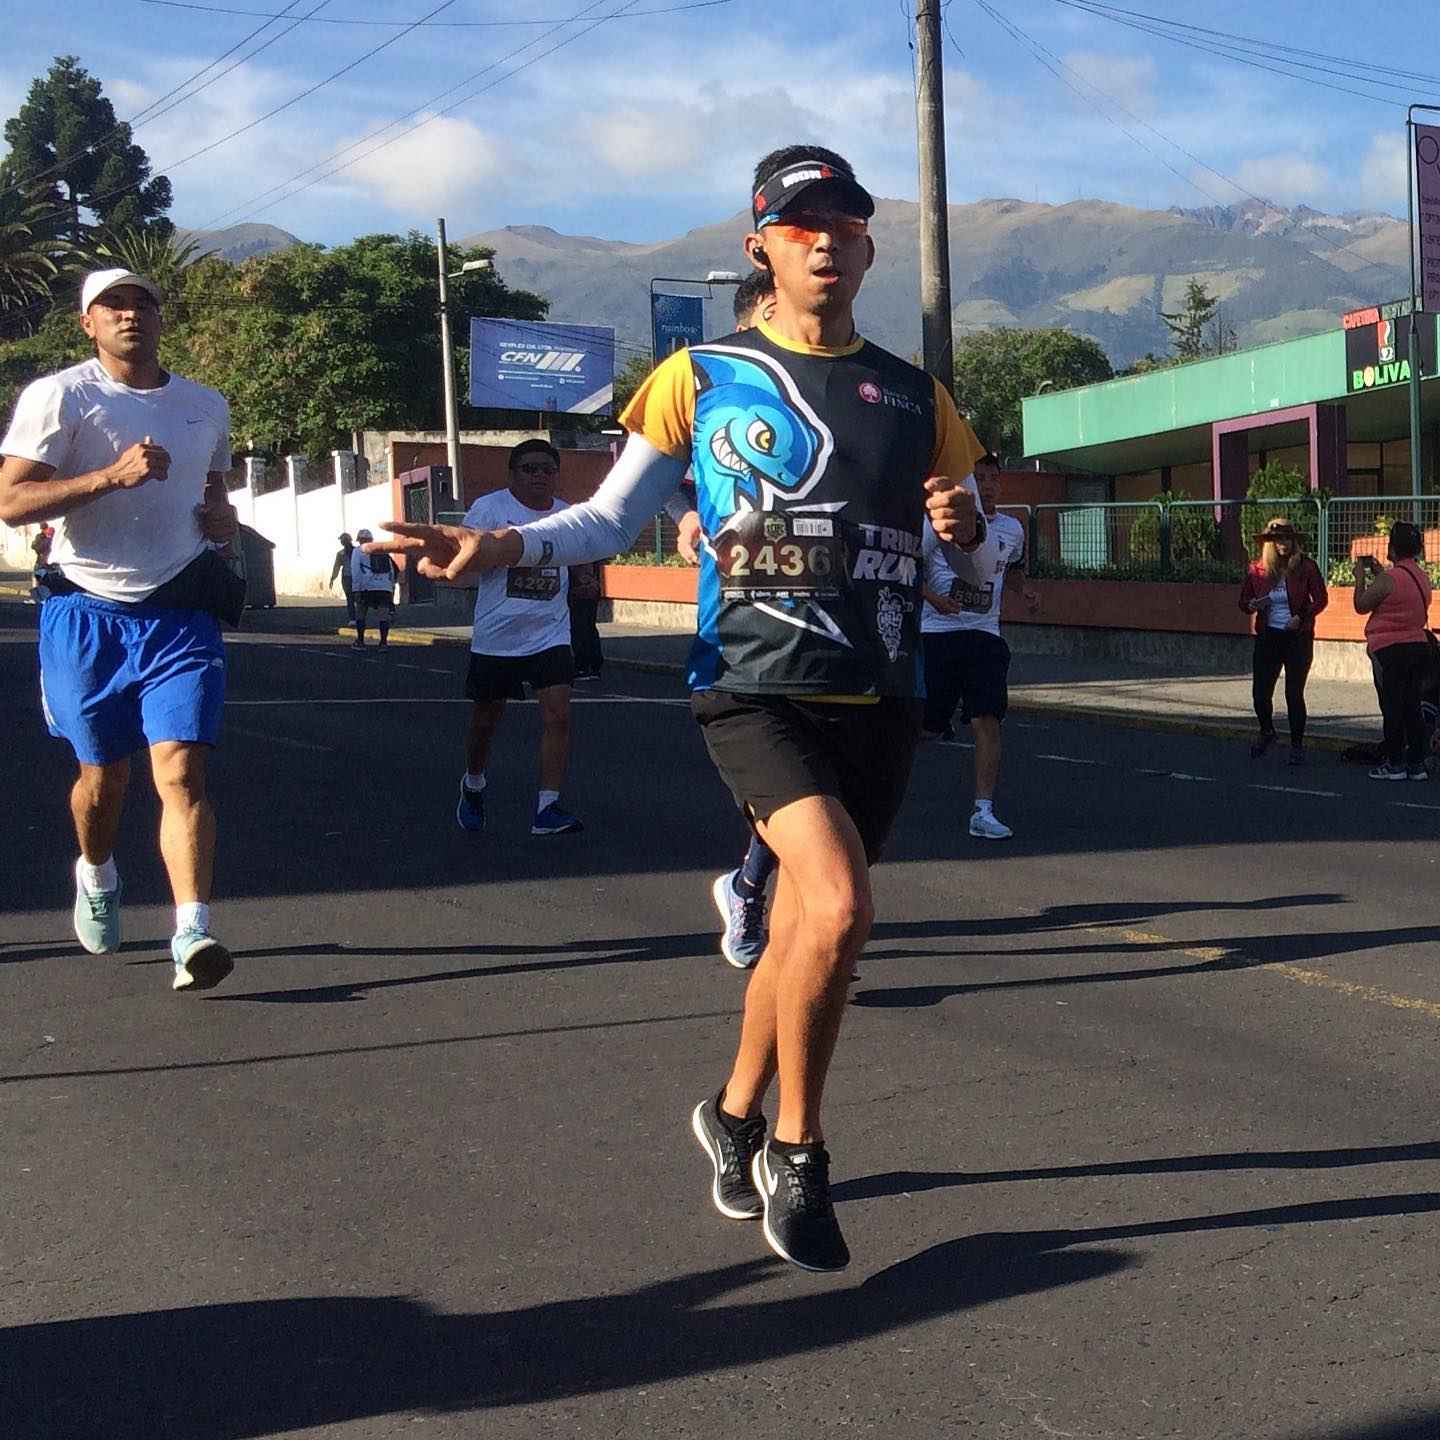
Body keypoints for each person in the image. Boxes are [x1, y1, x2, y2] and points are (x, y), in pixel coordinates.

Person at [370, 145, 983, 1272]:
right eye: (803, 226)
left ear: (869, 246)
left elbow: (974, 559)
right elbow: (605, 524)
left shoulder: (917, 394)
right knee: (840, 908)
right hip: (751, 683)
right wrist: (498, 541)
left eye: (846, 223)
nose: (827, 240)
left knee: (804, 929)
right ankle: (799, 1150)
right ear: (761, 247)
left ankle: (735, 1111)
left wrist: (965, 534)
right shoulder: (700, 375)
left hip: (881, 689)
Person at [0, 267, 240, 992]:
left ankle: (192, 930)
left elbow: (215, 493)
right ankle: (97, 872)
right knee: (103, 779)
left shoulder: (204, 405)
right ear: (88, 324)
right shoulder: (61, 395)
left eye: (143, 303)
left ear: (162, 317)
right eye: (113, 305)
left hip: (179, 611)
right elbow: (11, 501)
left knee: (182, 771)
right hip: (85, 611)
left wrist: (224, 522)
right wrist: (108, 477)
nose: (130, 314)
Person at [454, 438, 583, 836]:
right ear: (513, 474)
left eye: (548, 469)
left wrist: (586, 580)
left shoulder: (566, 516)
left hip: (550, 632)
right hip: (498, 635)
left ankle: (547, 807)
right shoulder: (491, 509)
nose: (540, 476)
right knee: (485, 721)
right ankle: (473, 783)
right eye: (530, 468)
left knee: (558, 716)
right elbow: (464, 558)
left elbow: (579, 560)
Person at [920, 451, 1037, 839]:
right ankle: (881, 781)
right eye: (978, 478)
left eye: (992, 478)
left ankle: (983, 810)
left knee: (987, 717)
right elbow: (907, 571)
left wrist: (1027, 593)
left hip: (985, 634)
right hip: (938, 633)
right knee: (928, 727)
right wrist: (935, 600)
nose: (985, 485)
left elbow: (1014, 571)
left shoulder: (1013, 529)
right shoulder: (941, 524)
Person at [1238, 516, 1329, 765]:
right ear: (1270, 543)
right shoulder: (1257, 570)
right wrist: (1252, 604)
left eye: (1287, 539)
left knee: (1293, 693)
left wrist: (1301, 616)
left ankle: (1297, 745)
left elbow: (1320, 599)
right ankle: (1267, 731)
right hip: (1268, 636)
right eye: (1278, 539)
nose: (1283, 544)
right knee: (1260, 692)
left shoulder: (1306, 567)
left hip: (1296, 637)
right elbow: (1243, 603)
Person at [1354, 519, 1433, 781]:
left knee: (1392, 705)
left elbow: (1362, 605)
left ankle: (1395, 763)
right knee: (1412, 704)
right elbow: (1400, 597)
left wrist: (1360, 578)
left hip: (1389, 650)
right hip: (1417, 646)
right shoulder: (1421, 577)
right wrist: (1380, 574)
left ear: (1393, 547)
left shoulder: (1389, 578)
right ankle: (1416, 764)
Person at [349, 529, 396, 648]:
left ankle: (360, 641)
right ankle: (383, 643)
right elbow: (391, 570)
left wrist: (356, 590)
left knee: (361, 612)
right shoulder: (381, 551)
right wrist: (390, 589)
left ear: (359, 540)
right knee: (383, 614)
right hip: (384, 588)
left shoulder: (358, 551)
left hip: (366, 587)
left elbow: (356, 572)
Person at [567, 560, 605, 681]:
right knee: (588, 628)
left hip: (581, 591)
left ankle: (583, 666)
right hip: (589, 591)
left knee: (580, 629)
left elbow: (580, 571)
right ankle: (593, 666)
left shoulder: (578, 551)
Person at [330, 532, 356, 621]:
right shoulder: (341, 554)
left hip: (353, 577)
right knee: (350, 598)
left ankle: (355, 617)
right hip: (347, 578)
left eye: (343, 540)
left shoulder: (356, 552)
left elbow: (336, 567)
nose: (342, 542)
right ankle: (353, 617)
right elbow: (336, 567)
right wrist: (333, 578)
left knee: (353, 598)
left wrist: (333, 578)